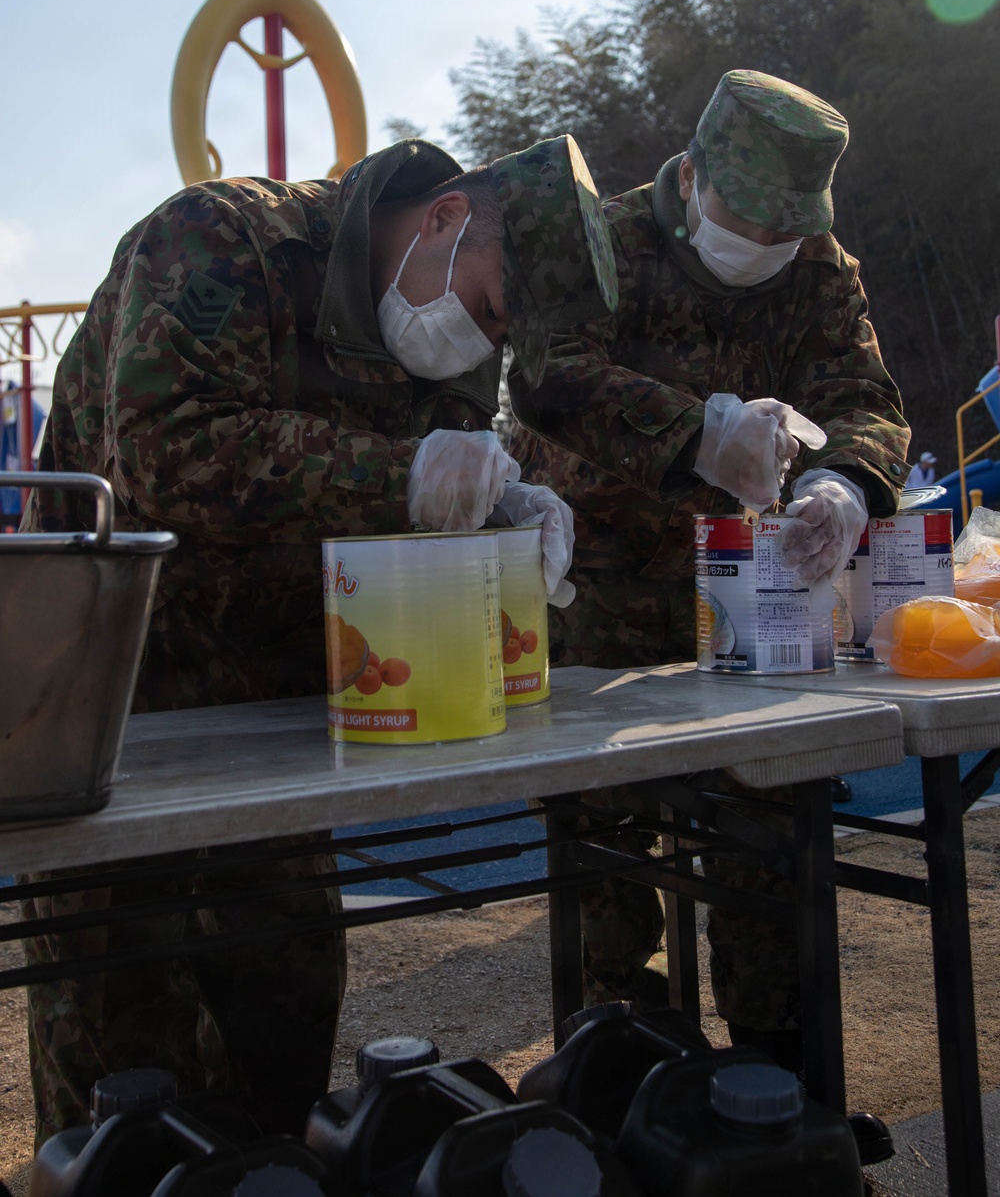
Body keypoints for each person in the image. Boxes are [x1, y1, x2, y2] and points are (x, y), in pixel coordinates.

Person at [20, 133, 617, 1144]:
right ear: (441, 217)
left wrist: (508, 510)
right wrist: (405, 478)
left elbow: (440, 492)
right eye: (484, 310)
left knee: (281, 1021)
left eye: (498, 341)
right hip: (116, 713)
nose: (477, 348)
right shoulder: (221, 240)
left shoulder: (446, 352)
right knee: (128, 1080)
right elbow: (166, 453)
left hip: (279, 725)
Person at [509, 69, 911, 1066]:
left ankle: (777, 1089)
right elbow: (547, 374)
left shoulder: (818, 268)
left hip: (750, 591)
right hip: (593, 585)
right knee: (600, 851)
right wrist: (699, 431)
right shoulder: (603, 241)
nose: (767, 248)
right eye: (750, 221)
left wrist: (844, 487)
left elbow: (865, 398)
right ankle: (616, 1070)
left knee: (771, 832)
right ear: (689, 176)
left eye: (786, 231)